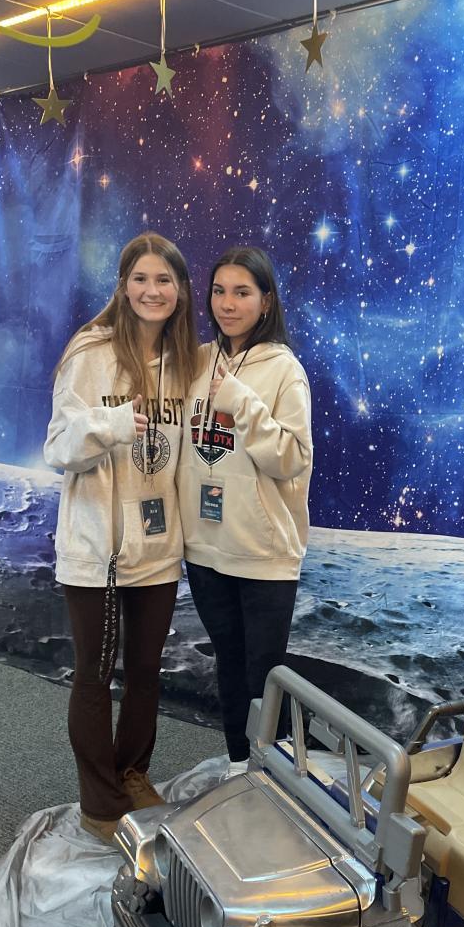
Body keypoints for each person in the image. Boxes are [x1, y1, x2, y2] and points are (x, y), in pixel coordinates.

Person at [44, 232, 200, 842]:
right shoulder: (90, 352)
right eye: (140, 278)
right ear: (123, 285)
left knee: (145, 671)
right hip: (97, 551)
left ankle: (132, 771)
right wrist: (108, 424)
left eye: (164, 280)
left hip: (156, 550)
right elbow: (58, 446)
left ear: (180, 290)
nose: (152, 291)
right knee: (93, 674)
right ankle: (100, 802)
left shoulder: (187, 362)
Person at [180, 247, 313, 770]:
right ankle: (240, 766)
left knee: (264, 676)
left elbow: (292, 458)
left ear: (266, 301)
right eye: (219, 291)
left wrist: (242, 403)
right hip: (206, 548)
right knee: (229, 665)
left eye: (242, 292)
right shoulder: (197, 360)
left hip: (262, 554)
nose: (227, 304)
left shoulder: (284, 370)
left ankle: (273, 778)